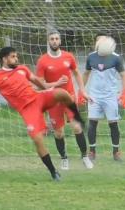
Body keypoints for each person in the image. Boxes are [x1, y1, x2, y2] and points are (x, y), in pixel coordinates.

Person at [0, 46, 85, 181]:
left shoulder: (22, 69)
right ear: (4, 59)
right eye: (13, 56)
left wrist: (51, 86)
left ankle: (76, 118)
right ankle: (53, 172)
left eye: (16, 56)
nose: (16, 58)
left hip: (38, 98)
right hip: (28, 109)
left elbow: (39, 82)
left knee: (62, 93)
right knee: (37, 139)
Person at [36, 31, 93, 170]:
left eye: (56, 39)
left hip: (69, 98)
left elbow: (77, 73)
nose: (54, 41)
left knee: (77, 127)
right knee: (59, 132)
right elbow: (40, 84)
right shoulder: (42, 61)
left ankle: (85, 157)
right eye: (52, 39)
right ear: (48, 42)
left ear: (60, 41)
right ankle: (64, 159)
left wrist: (82, 91)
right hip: (54, 100)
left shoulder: (69, 57)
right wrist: (56, 83)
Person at [83, 35, 125, 161]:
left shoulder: (116, 58)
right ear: (96, 43)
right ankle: (92, 151)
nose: (101, 41)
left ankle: (116, 152)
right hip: (94, 96)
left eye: (104, 39)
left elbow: (124, 75)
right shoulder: (91, 57)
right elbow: (86, 73)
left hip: (110, 96)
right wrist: (81, 91)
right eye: (99, 39)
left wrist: (124, 93)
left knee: (113, 124)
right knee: (92, 122)